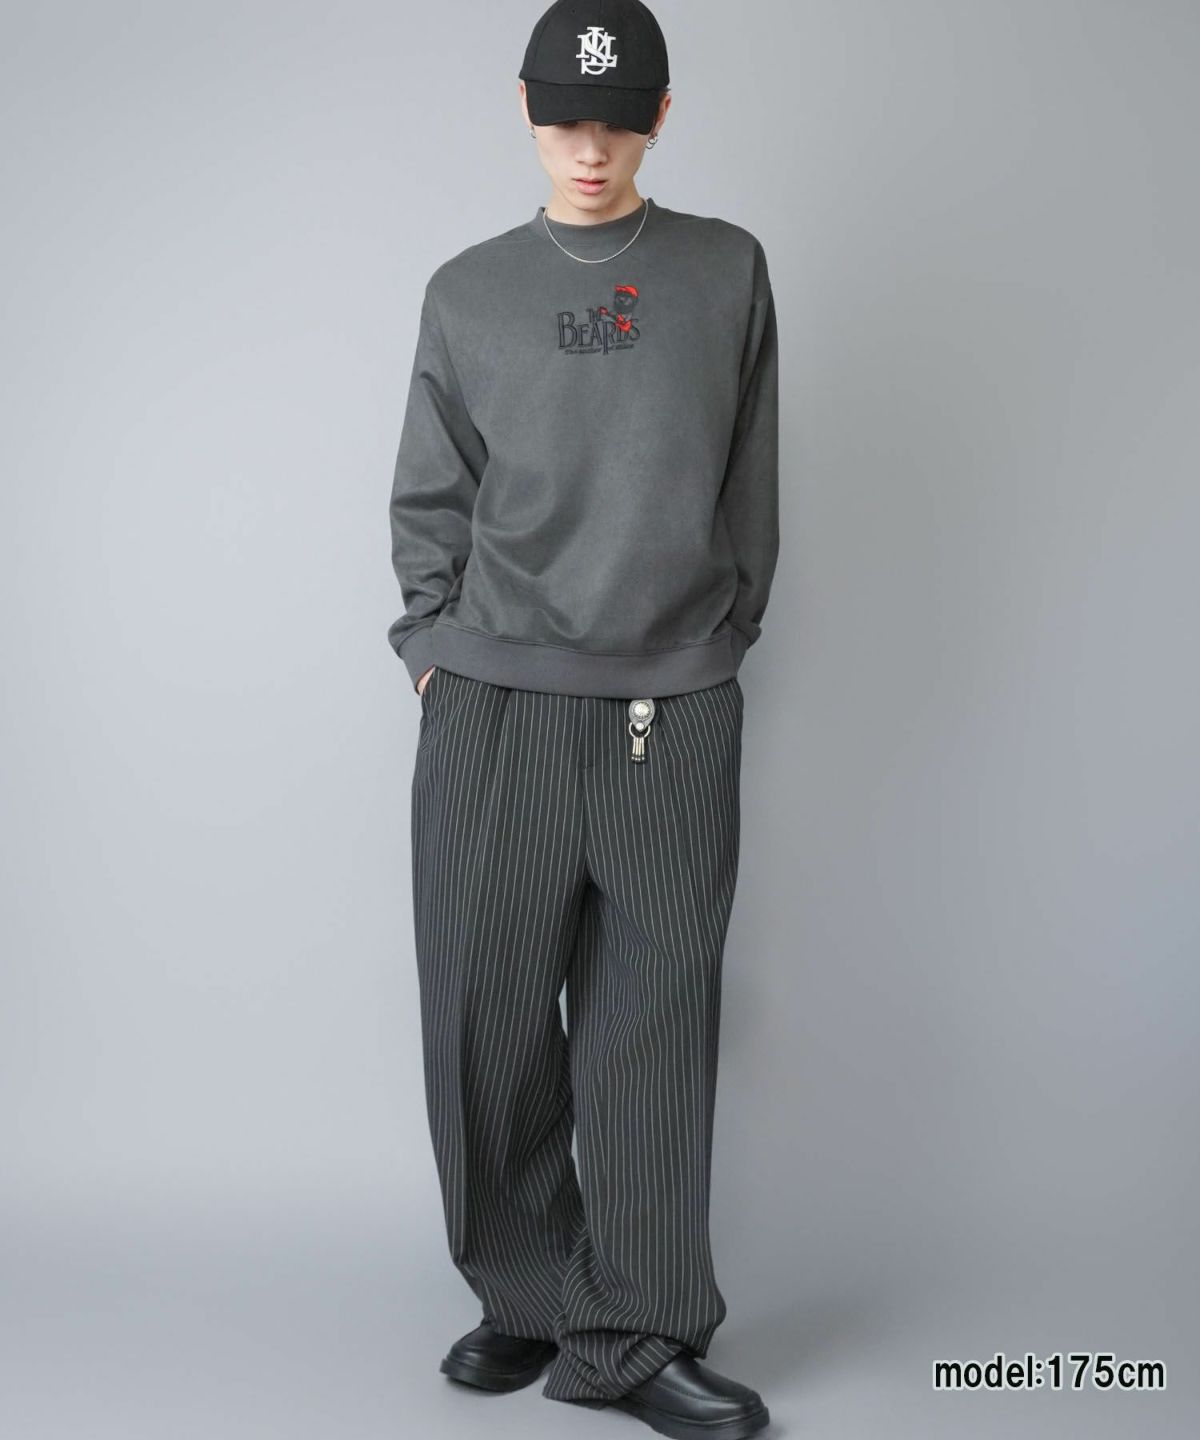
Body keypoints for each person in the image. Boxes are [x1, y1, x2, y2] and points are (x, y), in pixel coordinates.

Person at [387, 2, 779, 1435]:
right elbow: (431, 491)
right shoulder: (468, 290)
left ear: (660, 116)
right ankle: (529, 1295)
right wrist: (432, 645)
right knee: (487, 1024)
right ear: (525, 109)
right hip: (495, 705)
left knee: (653, 1033)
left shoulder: (726, 271)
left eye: (617, 120)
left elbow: (750, 477)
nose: (589, 148)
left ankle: (636, 1333)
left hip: (673, 709)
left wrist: (718, 641)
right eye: (563, 118)